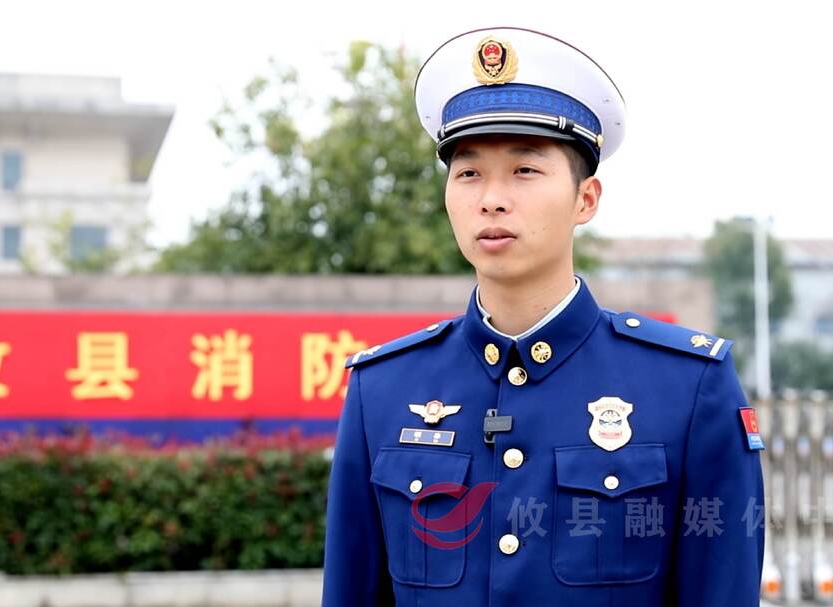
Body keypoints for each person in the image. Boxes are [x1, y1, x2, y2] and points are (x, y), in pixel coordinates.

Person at [322, 26, 764, 606]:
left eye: (525, 171)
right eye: (469, 173)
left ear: (586, 199)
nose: (491, 199)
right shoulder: (382, 390)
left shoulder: (689, 387)